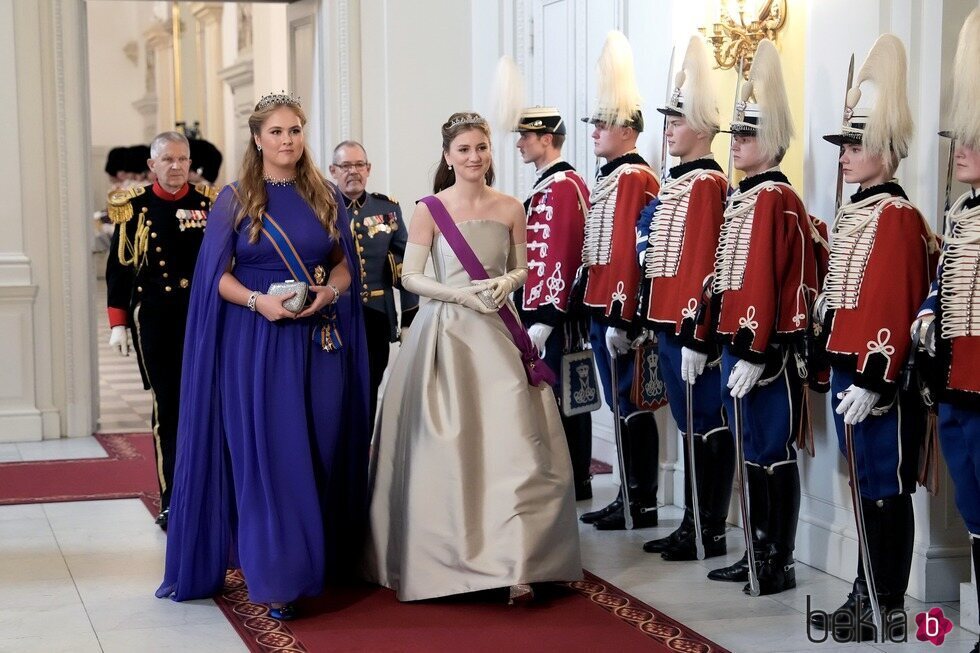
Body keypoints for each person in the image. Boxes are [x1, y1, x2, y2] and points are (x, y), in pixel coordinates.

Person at [156, 92, 371, 621]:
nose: (287, 140)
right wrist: (260, 302)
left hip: (318, 342)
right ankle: (279, 579)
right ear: (257, 138)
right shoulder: (234, 198)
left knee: (319, 449)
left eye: (294, 130)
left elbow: (344, 266)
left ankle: (316, 560)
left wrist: (330, 293)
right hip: (255, 341)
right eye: (276, 132)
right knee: (272, 459)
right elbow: (216, 278)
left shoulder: (325, 195)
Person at [364, 111, 581, 603]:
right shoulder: (429, 209)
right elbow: (410, 276)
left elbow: (523, 267)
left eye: (481, 147)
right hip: (447, 335)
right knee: (449, 450)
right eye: (463, 149)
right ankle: (446, 559)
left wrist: (506, 282)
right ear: (447, 156)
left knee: (515, 446)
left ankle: (518, 560)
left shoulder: (510, 207)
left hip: (500, 331)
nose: (474, 156)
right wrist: (459, 296)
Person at [810, 34, 936, 641]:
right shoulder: (859, 212)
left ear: (886, 150)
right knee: (865, 485)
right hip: (846, 373)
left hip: (875, 383)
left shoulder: (899, 217)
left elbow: (896, 303)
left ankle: (882, 602)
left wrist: (874, 378)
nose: (844, 155)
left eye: (856, 145)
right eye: (843, 145)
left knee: (885, 489)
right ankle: (864, 590)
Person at [707, 40, 821, 596]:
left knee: (772, 450)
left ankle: (778, 559)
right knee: (750, 448)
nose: (737, 145)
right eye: (735, 135)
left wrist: (758, 350)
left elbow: (778, 281)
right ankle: (756, 549)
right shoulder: (741, 197)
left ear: (772, 141)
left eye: (747, 135)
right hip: (738, 343)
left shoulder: (776, 197)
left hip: (766, 350)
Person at [636, 35, 734, 560]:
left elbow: (708, 265)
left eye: (678, 119)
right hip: (669, 323)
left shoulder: (710, 185)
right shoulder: (678, 183)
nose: (669, 127)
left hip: (695, 329)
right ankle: (692, 523)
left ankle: (709, 530)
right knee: (687, 422)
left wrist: (699, 334)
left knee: (706, 422)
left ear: (703, 125)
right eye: (667, 119)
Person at [105, 130, 216, 529]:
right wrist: (118, 323)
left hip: (203, 317)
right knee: (169, 409)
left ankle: (210, 493)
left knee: (209, 405)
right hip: (155, 320)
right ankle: (172, 498)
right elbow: (119, 269)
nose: (176, 166)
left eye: (182, 159)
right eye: (167, 159)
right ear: (152, 165)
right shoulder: (133, 207)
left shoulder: (210, 204)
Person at [913, 10, 980, 652]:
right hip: (957, 383)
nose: (957, 148)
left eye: (970, 137)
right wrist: (932, 309)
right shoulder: (961, 212)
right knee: (976, 512)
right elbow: (948, 276)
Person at [578, 31, 662, 531]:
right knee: (619, 405)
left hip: (618, 312)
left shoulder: (634, 178)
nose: (594, 132)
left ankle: (642, 500)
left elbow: (633, 257)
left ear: (628, 130)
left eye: (603, 124)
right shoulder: (614, 176)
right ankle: (629, 496)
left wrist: (622, 315)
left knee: (631, 405)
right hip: (600, 305)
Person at [513, 106, 594, 500]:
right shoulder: (549, 184)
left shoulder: (562, 185)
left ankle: (575, 479)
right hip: (546, 311)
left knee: (567, 398)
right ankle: (569, 477)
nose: (519, 143)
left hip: (556, 315)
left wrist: (546, 317)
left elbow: (562, 253)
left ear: (547, 139)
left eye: (526, 137)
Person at [329, 140, 419, 423]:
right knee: (335, 392)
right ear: (333, 170)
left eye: (358, 165)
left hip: (376, 316)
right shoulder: (321, 209)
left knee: (369, 390)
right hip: (333, 316)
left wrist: (408, 321)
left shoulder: (387, 209)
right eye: (345, 165)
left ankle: (361, 461)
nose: (353, 171)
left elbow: (406, 269)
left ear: (368, 169)